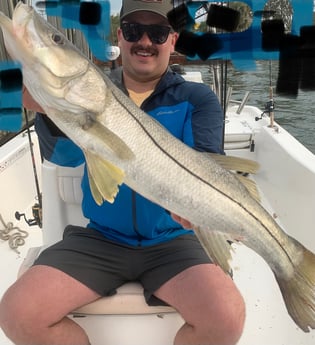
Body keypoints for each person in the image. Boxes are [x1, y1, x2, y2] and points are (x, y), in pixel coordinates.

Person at [0, 1, 245, 344]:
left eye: (157, 32)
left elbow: (207, 163)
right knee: (19, 313)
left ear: (172, 41)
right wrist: (51, 112)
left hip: (173, 239)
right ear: (120, 36)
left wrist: (199, 208)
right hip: (102, 238)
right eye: (133, 31)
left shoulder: (196, 98)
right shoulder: (90, 90)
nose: (145, 40)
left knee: (226, 316)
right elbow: (64, 159)